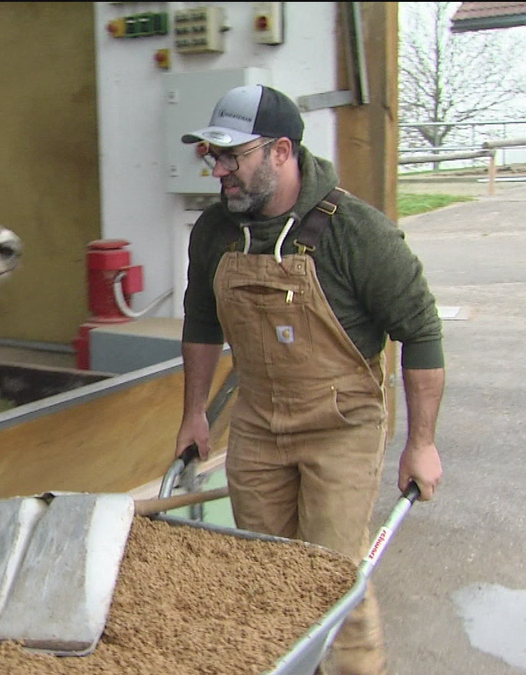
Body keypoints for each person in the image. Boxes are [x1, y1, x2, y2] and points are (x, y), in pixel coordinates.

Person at [174, 84, 445, 675]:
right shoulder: (215, 231)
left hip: (340, 426)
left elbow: (421, 330)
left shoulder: (356, 232)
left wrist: (420, 445)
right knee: (266, 576)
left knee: (332, 578)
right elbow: (201, 320)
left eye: (231, 156)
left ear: (280, 151)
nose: (219, 171)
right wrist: (194, 413)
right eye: (212, 157)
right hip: (258, 424)